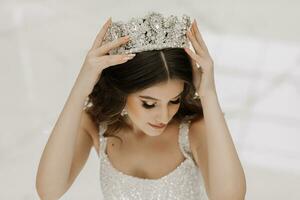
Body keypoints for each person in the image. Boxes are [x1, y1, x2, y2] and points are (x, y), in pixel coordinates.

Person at [36, 12, 246, 200]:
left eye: (174, 100)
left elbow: (230, 198)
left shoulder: (193, 131)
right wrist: (80, 89)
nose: (164, 116)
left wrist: (208, 93)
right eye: (148, 104)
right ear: (122, 92)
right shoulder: (94, 124)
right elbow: (49, 191)